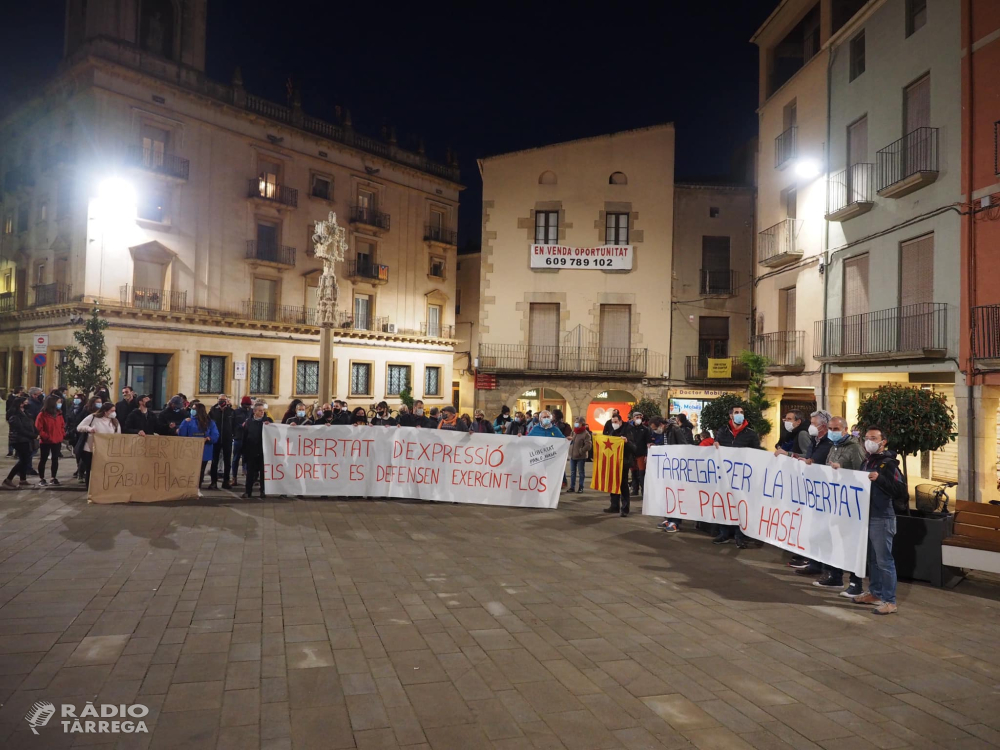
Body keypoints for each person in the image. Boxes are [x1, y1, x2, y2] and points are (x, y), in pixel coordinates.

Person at [852, 427, 907, 616]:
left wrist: (880, 479)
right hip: (867, 515)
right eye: (866, 438)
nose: (869, 441)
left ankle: (890, 601)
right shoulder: (867, 461)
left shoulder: (889, 464)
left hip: (882, 516)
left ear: (883, 441)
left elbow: (901, 491)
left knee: (884, 560)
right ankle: (875, 593)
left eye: (873, 438)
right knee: (873, 559)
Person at [814, 415, 869, 593]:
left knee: (850, 542)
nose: (832, 432)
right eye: (830, 428)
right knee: (835, 540)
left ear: (845, 430)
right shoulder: (834, 446)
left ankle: (855, 583)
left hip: (850, 503)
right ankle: (835, 576)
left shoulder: (854, 448)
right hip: (835, 500)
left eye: (836, 429)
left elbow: (862, 473)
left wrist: (842, 470)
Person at [792, 410, 834, 576]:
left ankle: (827, 568)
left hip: (825, 492)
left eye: (814, 423)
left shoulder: (829, 443)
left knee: (823, 531)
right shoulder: (814, 440)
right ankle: (814, 563)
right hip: (812, 490)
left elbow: (818, 460)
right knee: (813, 528)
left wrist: (810, 462)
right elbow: (809, 457)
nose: (811, 426)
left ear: (823, 426)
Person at [713, 405, 760, 547]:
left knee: (740, 504)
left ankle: (740, 536)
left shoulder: (751, 434)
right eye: (736, 412)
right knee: (725, 503)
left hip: (741, 476)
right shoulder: (722, 431)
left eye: (741, 412)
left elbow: (756, 453)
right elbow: (717, 445)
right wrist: (715, 444)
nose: (740, 414)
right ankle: (724, 533)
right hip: (724, 475)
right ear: (731, 416)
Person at [75, 403, 121, 488]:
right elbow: (79, 427)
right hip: (89, 449)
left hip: (105, 450)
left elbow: (118, 435)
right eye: (112, 411)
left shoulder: (115, 421)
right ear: (105, 411)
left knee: (102, 470)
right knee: (90, 469)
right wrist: (89, 429)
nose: (114, 413)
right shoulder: (93, 417)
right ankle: (90, 490)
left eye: (114, 411)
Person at [601, 410, 636, 516]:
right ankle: (614, 506)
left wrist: (626, 442)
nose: (614, 424)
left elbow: (634, 447)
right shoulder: (612, 430)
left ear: (621, 421)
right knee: (613, 483)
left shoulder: (628, 430)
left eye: (616, 422)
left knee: (623, 485)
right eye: (613, 422)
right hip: (613, 461)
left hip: (624, 461)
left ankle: (625, 508)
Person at [179, 401, 220, 489]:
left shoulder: (210, 422)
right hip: (190, 451)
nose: (192, 410)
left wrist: (210, 438)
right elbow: (181, 435)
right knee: (189, 470)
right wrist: (183, 425)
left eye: (194, 409)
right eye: (191, 409)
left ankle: (197, 488)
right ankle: (188, 488)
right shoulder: (188, 421)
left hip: (204, 450)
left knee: (200, 471)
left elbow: (215, 435)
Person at [4, 396, 38, 489]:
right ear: (21, 403)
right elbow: (20, 429)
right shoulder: (14, 415)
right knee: (23, 460)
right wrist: (33, 435)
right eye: (26, 401)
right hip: (19, 440)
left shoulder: (25, 413)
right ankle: (8, 480)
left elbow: (31, 424)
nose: (28, 403)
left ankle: (23, 480)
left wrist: (36, 432)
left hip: (26, 439)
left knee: (25, 460)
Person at [240, 402, 272, 498]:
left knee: (263, 473)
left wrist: (270, 426)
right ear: (254, 411)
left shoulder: (268, 421)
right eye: (260, 410)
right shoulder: (249, 422)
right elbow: (245, 436)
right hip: (251, 451)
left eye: (263, 411)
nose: (262, 412)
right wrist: (244, 451)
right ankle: (248, 491)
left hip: (263, 452)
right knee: (250, 473)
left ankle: (263, 491)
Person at [35, 394, 65, 486]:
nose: (60, 404)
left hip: (57, 440)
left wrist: (62, 434)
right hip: (46, 441)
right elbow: (38, 428)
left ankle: (53, 477)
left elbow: (62, 425)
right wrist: (46, 436)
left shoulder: (59, 413)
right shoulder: (42, 414)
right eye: (58, 402)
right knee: (43, 459)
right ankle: (42, 478)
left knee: (55, 459)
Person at [208, 394, 234, 489]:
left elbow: (234, 425)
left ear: (227, 401)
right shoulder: (213, 411)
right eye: (220, 399)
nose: (222, 401)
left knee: (227, 462)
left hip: (227, 440)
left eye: (223, 400)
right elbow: (208, 423)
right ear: (217, 400)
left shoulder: (231, 412)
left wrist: (233, 435)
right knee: (214, 461)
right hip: (216, 440)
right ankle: (213, 482)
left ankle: (226, 482)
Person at [230, 396, 254, 486]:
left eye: (249, 405)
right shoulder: (236, 412)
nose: (247, 407)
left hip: (249, 438)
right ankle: (234, 478)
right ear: (242, 404)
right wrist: (241, 426)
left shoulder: (252, 412)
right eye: (246, 405)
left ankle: (249, 478)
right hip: (239, 438)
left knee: (248, 459)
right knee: (236, 459)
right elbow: (233, 424)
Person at [568, 417, 592, 493]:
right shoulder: (574, 431)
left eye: (577, 422)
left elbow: (588, 445)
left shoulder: (586, 434)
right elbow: (572, 440)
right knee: (572, 472)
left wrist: (580, 451)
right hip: (572, 455)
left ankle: (581, 487)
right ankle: (572, 487)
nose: (575, 424)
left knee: (581, 472)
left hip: (581, 456)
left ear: (582, 424)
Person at [629, 411, 651, 496]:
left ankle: (643, 490)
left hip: (641, 454)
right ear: (633, 418)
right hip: (632, 454)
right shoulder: (630, 429)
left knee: (642, 473)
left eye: (640, 417)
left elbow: (648, 442)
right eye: (637, 417)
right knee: (634, 473)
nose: (638, 419)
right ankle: (635, 489)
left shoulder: (645, 429)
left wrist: (646, 454)